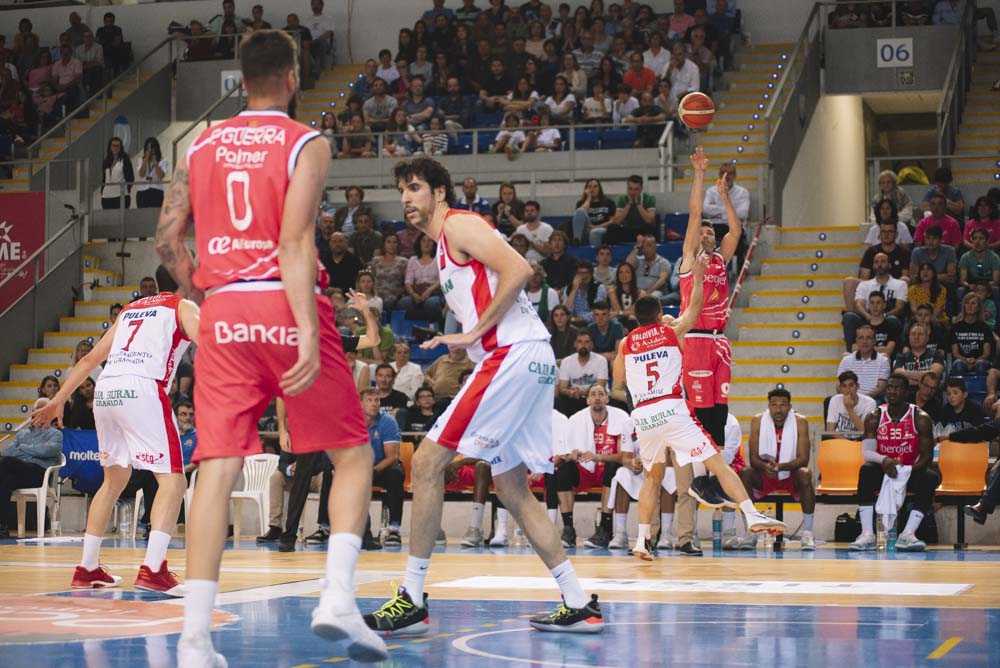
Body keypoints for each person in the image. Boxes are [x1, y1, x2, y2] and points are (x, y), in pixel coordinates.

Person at [155, 30, 386, 664]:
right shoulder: (305, 142)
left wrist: (203, 290)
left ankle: (195, 641)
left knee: (216, 470)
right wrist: (309, 328)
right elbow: (294, 244)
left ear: (240, 77)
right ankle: (337, 596)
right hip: (282, 302)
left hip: (223, 306)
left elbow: (167, 242)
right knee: (353, 456)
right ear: (292, 78)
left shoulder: (198, 143)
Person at [365, 157, 604, 636]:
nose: (407, 198)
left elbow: (519, 269)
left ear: (439, 192)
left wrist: (474, 330)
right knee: (511, 489)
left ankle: (411, 596)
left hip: (512, 355)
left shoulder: (459, 224)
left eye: (415, 187)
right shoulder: (442, 250)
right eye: (401, 190)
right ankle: (579, 602)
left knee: (429, 462)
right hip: (527, 358)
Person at [32, 267, 197, 595]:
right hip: (143, 386)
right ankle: (153, 568)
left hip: (107, 389)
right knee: (173, 478)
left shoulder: (130, 310)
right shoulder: (183, 306)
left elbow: (91, 358)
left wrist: (59, 400)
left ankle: (87, 566)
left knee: (114, 479)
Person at [612, 288, 786, 560]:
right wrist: (699, 275)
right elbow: (695, 309)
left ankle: (641, 540)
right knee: (717, 463)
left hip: (644, 414)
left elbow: (618, 379)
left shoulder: (625, 343)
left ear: (636, 319)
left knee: (652, 478)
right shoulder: (671, 332)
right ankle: (751, 514)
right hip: (671, 407)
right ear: (660, 315)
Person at [849, 374, 939, 552]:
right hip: (883, 469)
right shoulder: (874, 416)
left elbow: (927, 456)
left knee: (930, 477)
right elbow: (867, 453)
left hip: (910, 470)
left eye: (897, 388)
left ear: (906, 392)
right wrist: (884, 460)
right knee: (866, 470)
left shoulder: (920, 417)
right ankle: (867, 533)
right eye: (889, 387)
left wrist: (906, 471)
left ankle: (908, 534)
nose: (892, 391)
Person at [552, 384, 630, 549]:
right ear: (587, 400)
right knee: (563, 471)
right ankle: (568, 529)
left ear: (607, 399)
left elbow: (625, 456)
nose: (597, 397)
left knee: (613, 467)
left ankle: (605, 528)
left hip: (609, 470)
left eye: (601, 394)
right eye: (593, 394)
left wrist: (599, 457)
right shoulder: (575, 420)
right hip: (585, 470)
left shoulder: (621, 417)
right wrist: (570, 456)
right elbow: (561, 455)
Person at [740, 388, 816, 550]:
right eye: (774, 405)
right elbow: (753, 458)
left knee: (806, 473)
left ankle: (808, 533)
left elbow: (804, 459)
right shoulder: (758, 421)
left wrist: (781, 467)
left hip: (790, 474)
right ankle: (750, 531)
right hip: (765, 474)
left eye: (783, 405)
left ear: (790, 406)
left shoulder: (800, 421)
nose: (778, 409)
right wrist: (765, 466)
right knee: (745, 472)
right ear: (768, 406)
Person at [0, 398, 63, 538]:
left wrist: (22, 448)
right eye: (39, 409)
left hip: (38, 474)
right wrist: (35, 449)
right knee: (5, 482)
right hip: (17, 472)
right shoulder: (22, 434)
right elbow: (8, 452)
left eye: (45, 409)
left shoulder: (55, 434)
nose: (42, 412)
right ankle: (2, 527)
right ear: (33, 413)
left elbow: (48, 451)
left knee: (7, 463)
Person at [556, 330, 609, 416]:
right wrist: (570, 392)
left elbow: (601, 386)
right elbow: (562, 388)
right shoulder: (566, 361)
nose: (583, 345)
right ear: (575, 344)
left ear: (591, 345)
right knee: (560, 402)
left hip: (594, 398)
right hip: (573, 399)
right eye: (580, 342)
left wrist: (582, 393)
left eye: (587, 342)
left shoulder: (601, 361)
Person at [837, 325, 891, 398]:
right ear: (856, 341)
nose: (864, 341)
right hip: (850, 397)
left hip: (873, 399)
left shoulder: (883, 361)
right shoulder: (846, 360)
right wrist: (853, 398)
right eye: (861, 338)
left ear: (874, 341)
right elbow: (839, 386)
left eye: (868, 338)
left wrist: (863, 400)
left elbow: (881, 388)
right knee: (829, 400)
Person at [604, 174, 657, 244]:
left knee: (652, 228)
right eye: (630, 189)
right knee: (612, 228)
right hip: (628, 229)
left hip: (643, 230)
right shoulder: (622, 199)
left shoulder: (649, 198)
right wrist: (629, 204)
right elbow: (616, 221)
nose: (633, 192)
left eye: (636, 189)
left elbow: (650, 220)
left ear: (641, 189)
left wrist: (638, 204)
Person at [950, 292, 993, 376]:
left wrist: (975, 361)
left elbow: (986, 353)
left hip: (980, 361)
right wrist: (965, 360)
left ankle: (981, 389)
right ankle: (959, 388)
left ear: (978, 308)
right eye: (967, 303)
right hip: (961, 360)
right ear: (964, 306)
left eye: (973, 303)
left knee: (980, 365)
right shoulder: (955, 327)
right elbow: (955, 353)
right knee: (959, 364)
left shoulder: (985, 327)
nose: (969, 306)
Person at [826, 370, 878, 435]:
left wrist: (849, 409)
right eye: (844, 386)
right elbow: (830, 430)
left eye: (851, 385)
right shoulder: (834, 400)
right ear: (840, 388)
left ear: (857, 386)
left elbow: (866, 432)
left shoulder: (869, 402)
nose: (848, 390)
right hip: (839, 442)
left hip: (861, 441)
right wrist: (848, 444)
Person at [101, 136, 133, 209]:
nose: (115, 148)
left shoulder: (125, 160)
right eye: (113, 145)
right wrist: (102, 191)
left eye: (118, 146)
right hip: (106, 196)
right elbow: (104, 179)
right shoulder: (106, 161)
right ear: (110, 147)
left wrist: (126, 190)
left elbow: (130, 178)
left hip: (121, 195)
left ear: (121, 147)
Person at [135, 137, 168, 209]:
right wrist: (146, 160)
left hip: (156, 191)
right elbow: (141, 174)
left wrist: (156, 163)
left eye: (153, 148)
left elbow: (161, 176)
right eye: (149, 148)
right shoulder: (141, 160)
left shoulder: (163, 161)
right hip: (142, 191)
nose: (151, 151)